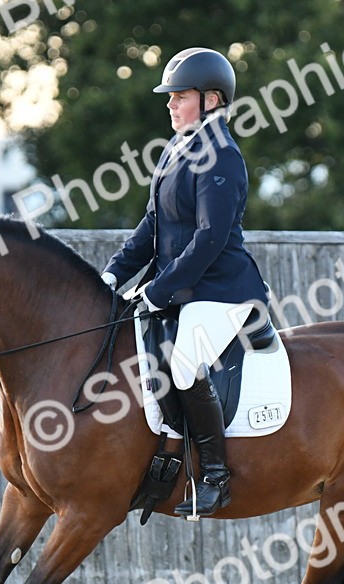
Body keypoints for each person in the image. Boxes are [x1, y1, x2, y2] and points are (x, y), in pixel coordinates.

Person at [101, 46, 269, 518]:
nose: (170, 104)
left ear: (211, 99)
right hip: (182, 291)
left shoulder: (222, 157)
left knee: (184, 358)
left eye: (180, 96)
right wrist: (113, 275)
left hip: (224, 293)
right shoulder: (177, 150)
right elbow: (150, 227)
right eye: (170, 96)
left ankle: (215, 475)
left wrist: (155, 290)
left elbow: (208, 240)